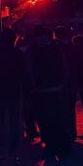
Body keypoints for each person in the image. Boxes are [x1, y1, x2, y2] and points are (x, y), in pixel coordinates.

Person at [27, 26, 70, 158]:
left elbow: (29, 71)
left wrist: (33, 85)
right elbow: (64, 67)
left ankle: (51, 148)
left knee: (46, 122)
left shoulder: (33, 51)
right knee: (58, 119)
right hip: (57, 89)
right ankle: (63, 148)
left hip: (41, 91)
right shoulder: (56, 49)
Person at [0, 28, 26, 159]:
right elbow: (24, 72)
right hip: (14, 89)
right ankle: (14, 143)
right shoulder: (18, 54)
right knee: (14, 118)